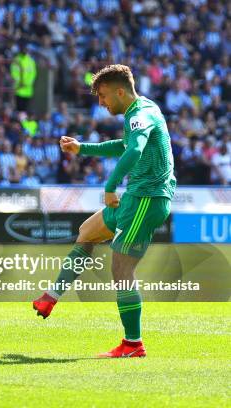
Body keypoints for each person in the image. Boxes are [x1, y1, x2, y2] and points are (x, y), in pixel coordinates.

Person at [32, 64, 176, 358]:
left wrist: (110, 186)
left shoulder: (141, 114)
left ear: (120, 91)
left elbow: (133, 151)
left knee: (121, 269)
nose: (101, 103)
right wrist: (82, 148)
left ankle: (133, 344)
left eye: (103, 96)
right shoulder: (140, 112)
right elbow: (124, 146)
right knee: (87, 231)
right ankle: (51, 297)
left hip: (147, 200)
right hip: (135, 198)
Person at [10, 45, 37, 113]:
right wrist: (20, 82)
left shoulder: (31, 61)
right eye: (24, 49)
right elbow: (14, 72)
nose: (25, 50)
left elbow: (33, 74)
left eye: (26, 49)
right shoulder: (16, 60)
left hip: (28, 90)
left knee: (25, 111)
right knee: (18, 110)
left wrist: (26, 83)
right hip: (18, 89)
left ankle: (23, 122)